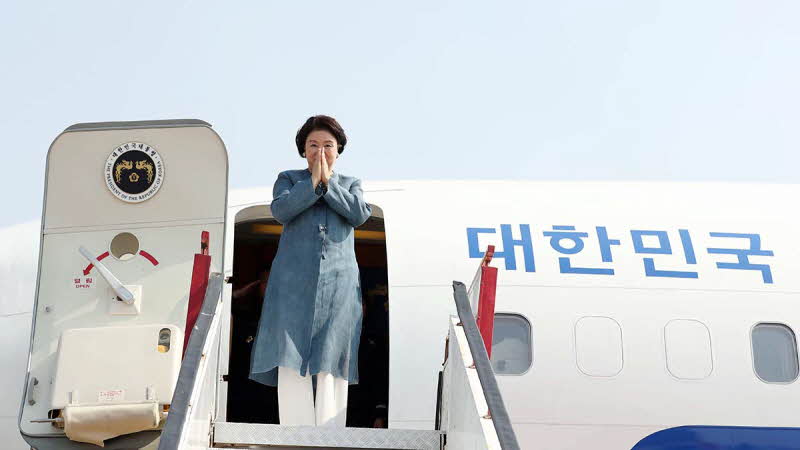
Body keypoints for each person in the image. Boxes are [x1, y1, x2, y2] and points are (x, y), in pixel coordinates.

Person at [249, 115, 372, 427]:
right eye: (313, 145)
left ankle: (331, 427)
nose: (320, 151)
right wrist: (312, 183)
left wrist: (327, 184)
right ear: (303, 150)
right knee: (290, 350)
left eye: (327, 146)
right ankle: (295, 428)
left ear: (339, 150)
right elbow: (281, 210)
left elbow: (358, 215)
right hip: (292, 283)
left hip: (339, 282)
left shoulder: (350, 183)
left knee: (332, 350)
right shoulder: (289, 179)